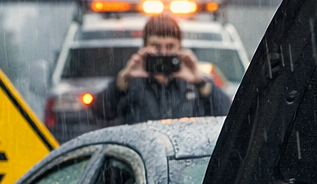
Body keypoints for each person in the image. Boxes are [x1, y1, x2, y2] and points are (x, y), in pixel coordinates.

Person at [97, 12, 232, 124]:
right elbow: (100, 113)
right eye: (156, 46)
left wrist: (201, 82)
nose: (163, 53)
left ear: (180, 47)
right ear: (144, 47)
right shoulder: (132, 83)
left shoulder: (193, 84)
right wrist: (121, 82)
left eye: (170, 46)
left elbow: (228, 115)